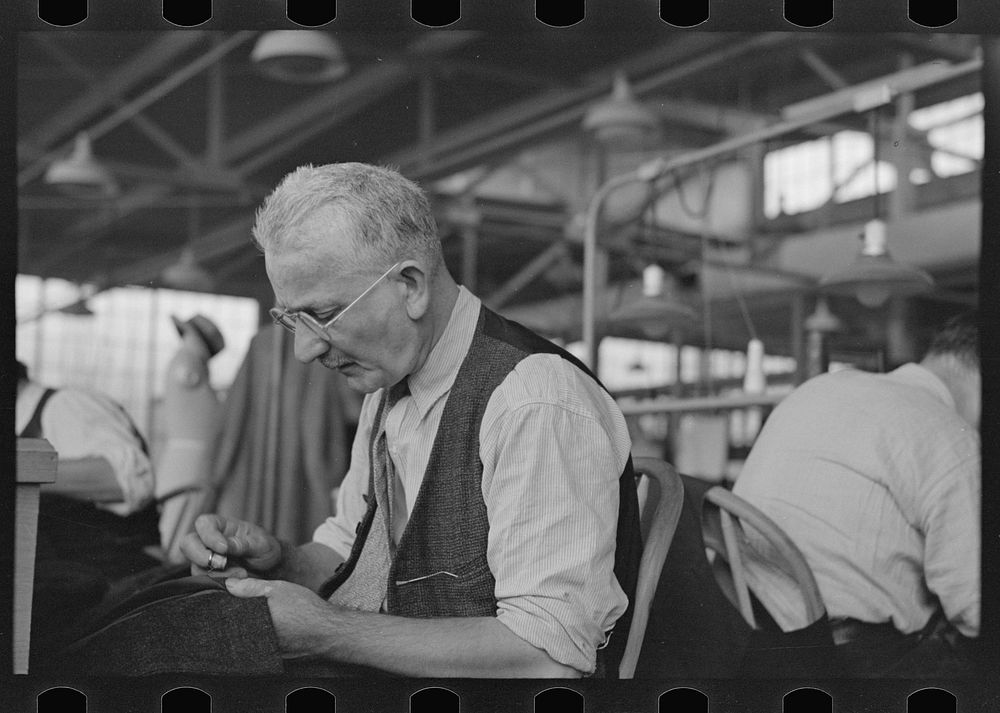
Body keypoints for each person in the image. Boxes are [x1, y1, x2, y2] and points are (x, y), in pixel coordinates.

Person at [173, 162, 641, 678]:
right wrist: (282, 562)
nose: (304, 350)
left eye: (322, 315)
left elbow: (547, 656)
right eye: (289, 320)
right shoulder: (387, 383)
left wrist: (326, 630)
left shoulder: (533, 400)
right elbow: (354, 550)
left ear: (411, 286)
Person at [732, 311, 981, 677]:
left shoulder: (817, 388)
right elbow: (974, 607)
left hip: (745, 636)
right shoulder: (952, 435)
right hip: (852, 662)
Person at [16, 359, 162, 660]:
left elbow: (130, 480)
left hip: (116, 572)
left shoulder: (64, 406)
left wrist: (22, 467)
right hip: (66, 575)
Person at [155, 314, 225, 562]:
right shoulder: (186, 364)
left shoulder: (192, 364)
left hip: (194, 458)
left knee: (188, 517)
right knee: (178, 520)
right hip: (187, 458)